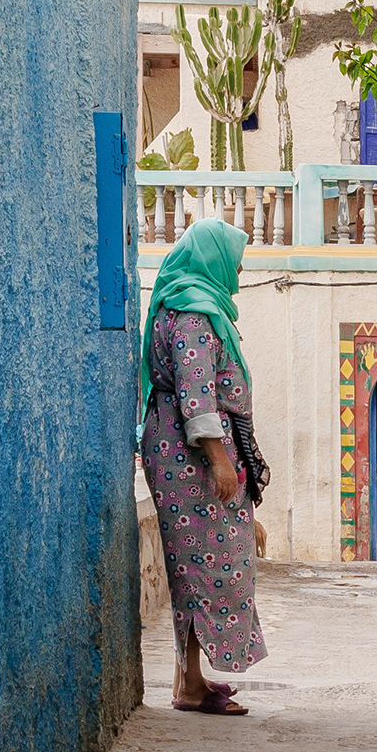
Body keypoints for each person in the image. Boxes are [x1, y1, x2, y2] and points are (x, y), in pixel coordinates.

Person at [138, 217, 269, 715]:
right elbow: (197, 397)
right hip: (189, 458)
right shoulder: (193, 314)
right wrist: (220, 462)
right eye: (233, 259)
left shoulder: (191, 303)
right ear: (213, 258)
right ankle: (188, 685)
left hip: (185, 451)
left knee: (199, 565)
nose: (237, 268)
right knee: (203, 566)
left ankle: (189, 678)